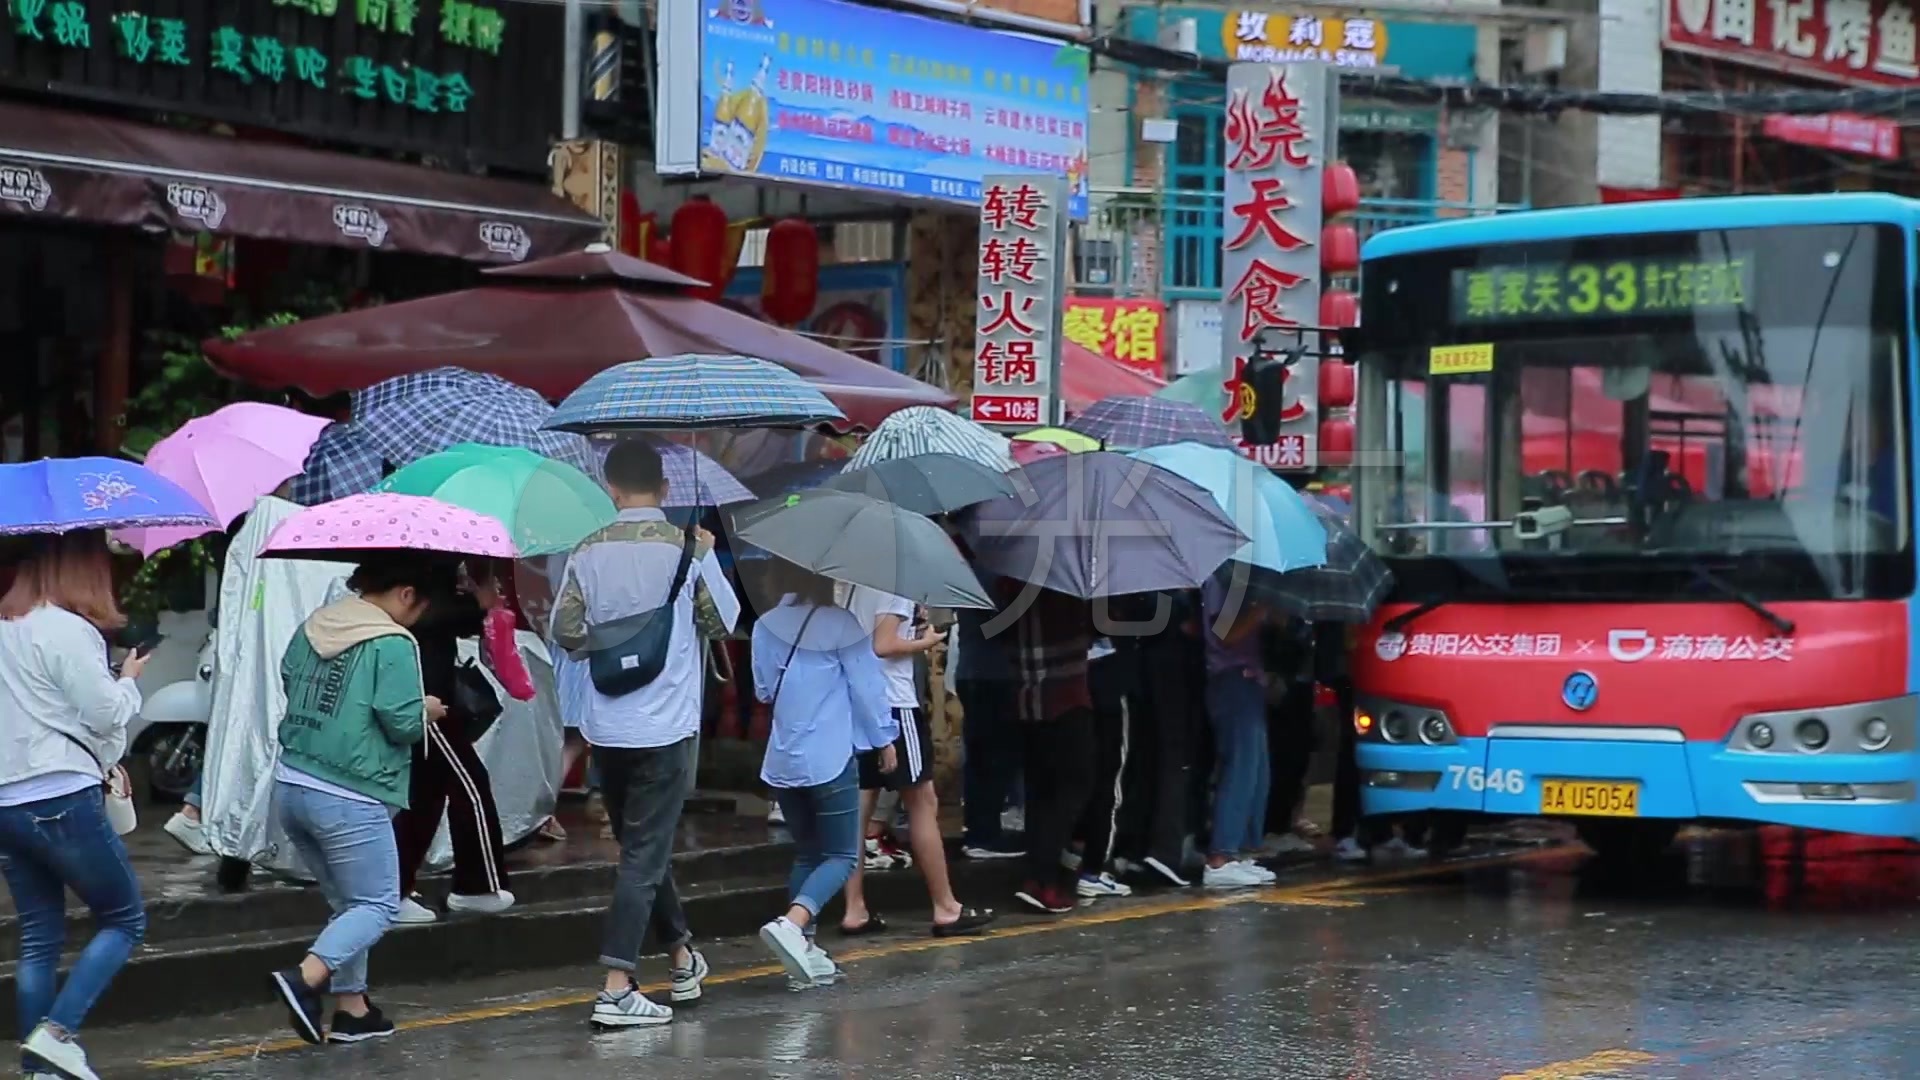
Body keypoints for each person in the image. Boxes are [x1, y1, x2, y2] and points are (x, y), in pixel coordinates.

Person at [552, 439, 739, 1028]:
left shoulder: (587, 549)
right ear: (664, 490)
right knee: (642, 857)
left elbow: (566, 631)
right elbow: (724, 621)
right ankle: (616, 987)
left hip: (607, 726)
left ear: (610, 489)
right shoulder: (689, 546)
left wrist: (616, 638)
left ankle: (683, 958)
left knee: (643, 851)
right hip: (666, 727)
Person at [268, 552, 443, 1046]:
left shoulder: (316, 625)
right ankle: (303, 979)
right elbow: (400, 721)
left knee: (349, 904)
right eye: (420, 607)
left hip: (294, 782)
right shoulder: (390, 641)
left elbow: (288, 680)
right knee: (377, 904)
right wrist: (425, 709)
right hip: (350, 793)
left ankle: (352, 1009)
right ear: (406, 594)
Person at [0, 531, 149, 1080]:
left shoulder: (4, 625)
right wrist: (129, 683)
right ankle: (57, 1036)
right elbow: (106, 713)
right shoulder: (67, 630)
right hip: (59, 794)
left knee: (39, 934)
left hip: (6, 801)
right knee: (125, 917)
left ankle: (40, 1064)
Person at [751, 567, 898, 988]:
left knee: (807, 853)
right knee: (841, 856)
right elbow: (867, 689)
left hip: (783, 759)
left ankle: (806, 948)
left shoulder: (764, 625)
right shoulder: (841, 624)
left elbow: (763, 689)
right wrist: (885, 739)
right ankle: (793, 924)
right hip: (830, 756)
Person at [836, 585, 995, 938]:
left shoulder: (851, 581)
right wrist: (927, 641)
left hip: (856, 699)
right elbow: (885, 645)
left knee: (859, 807)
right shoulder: (892, 584)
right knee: (923, 801)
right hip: (893, 701)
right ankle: (946, 906)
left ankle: (854, 907)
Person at [391, 558, 534, 924]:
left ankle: (395, 889)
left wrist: (474, 599)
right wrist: (474, 604)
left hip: (431, 694)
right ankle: (476, 886)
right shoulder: (413, 563)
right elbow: (420, 616)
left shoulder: (435, 560)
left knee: (424, 797)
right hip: (425, 699)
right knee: (469, 785)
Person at [1002, 582, 1099, 915]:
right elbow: (1099, 624)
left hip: (1028, 699)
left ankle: (1037, 876)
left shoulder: (1011, 579)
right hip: (1066, 696)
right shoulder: (1069, 583)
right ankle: (1046, 878)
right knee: (1074, 785)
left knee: (1041, 791)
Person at [1199, 574, 1279, 889]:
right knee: (1241, 766)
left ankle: (1240, 851)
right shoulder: (1223, 578)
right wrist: (1260, 610)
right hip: (1230, 680)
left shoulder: (1244, 578)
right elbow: (1224, 634)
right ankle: (1221, 856)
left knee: (1257, 770)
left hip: (1249, 681)